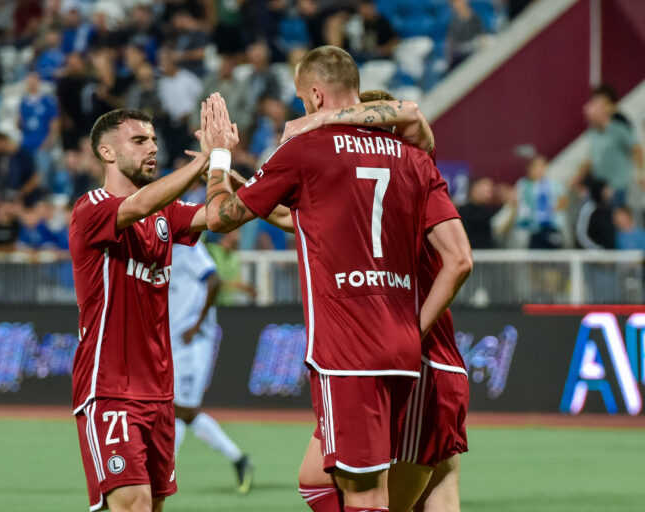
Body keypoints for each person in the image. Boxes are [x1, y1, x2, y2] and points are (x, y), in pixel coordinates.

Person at [204, 46, 472, 511]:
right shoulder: (414, 159)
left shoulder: (307, 149)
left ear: (313, 93)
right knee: (426, 485)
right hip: (417, 353)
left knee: (372, 498)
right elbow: (296, 215)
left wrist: (218, 163)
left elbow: (220, 217)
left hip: (363, 350)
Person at [283, 89, 470, 512]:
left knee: (367, 496)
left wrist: (320, 120)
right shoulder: (402, 186)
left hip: (419, 358)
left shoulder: (414, 168)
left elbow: (410, 114)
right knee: (440, 479)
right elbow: (307, 218)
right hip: (422, 360)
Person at [68, 99, 239, 512]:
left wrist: (222, 163)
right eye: (139, 140)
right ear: (107, 152)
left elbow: (222, 216)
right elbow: (139, 205)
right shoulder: (90, 208)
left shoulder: (166, 215)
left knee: (152, 505)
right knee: (133, 503)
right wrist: (204, 163)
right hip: (109, 388)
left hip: (159, 393)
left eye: (154, 140)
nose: (152, 149)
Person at [168, 240, 253, 494]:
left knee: (181, 410)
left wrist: (197, 324)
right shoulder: (166, 249)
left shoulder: (189, 248)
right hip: (175, 341)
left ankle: (164, 471)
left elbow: (214, 281)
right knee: (177, 411)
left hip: (191, 343)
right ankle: (239, 460)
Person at [578, 85, 645, 208]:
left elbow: (637, 149)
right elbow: (594, 158)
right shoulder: (593, 132)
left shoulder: (619, 128)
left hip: (620, 189)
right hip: (601, 189)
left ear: (606, 108)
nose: (588, 109)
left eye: (595, 104)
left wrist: (640, 173)